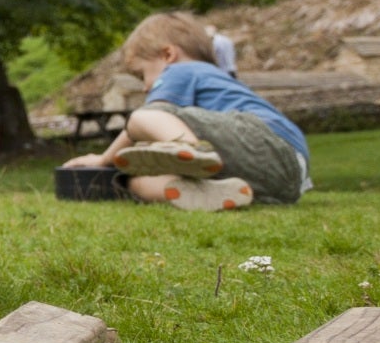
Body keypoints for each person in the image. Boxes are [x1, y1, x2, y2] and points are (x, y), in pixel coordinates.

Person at [67, 12, 307, 210]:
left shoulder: (180, 70)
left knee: (141, 117)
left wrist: (104, 160)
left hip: (266, 142)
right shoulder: (214, 78)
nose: (144, 86)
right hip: (289, 181)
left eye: (142, 74)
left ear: (168, 54)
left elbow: (148, 118)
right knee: (133, 180)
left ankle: (191, 150)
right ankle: (204, 194)